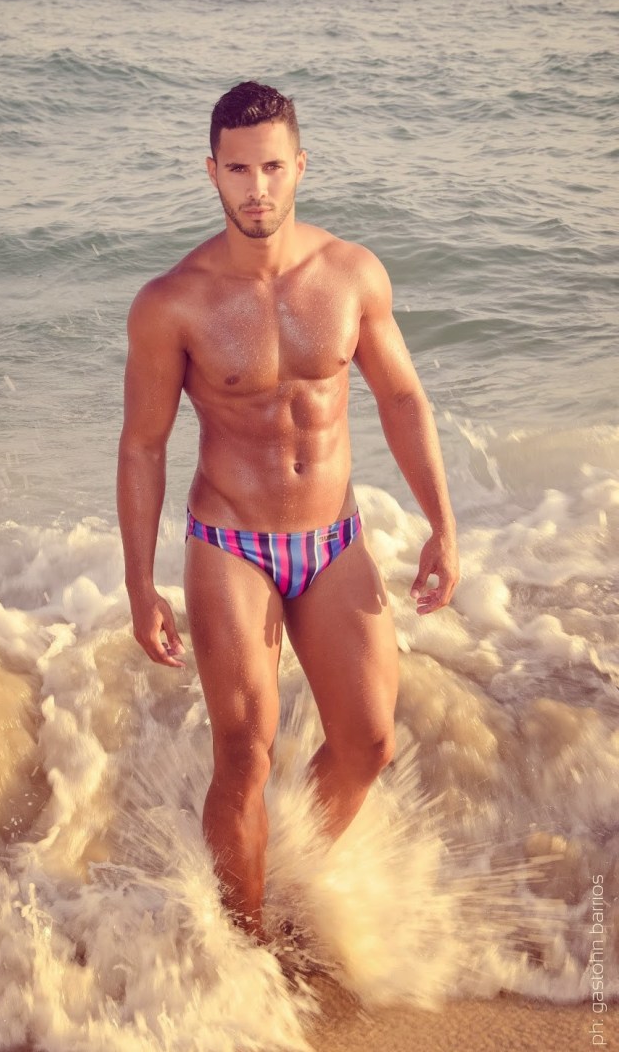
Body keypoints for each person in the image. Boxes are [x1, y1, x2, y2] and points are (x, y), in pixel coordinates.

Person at [117, 81, 459, 941]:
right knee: (244, 753)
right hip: (230, 541)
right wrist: (140, 583)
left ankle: (292, 880)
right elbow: (143, 446)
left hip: (332, 537)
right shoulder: (173, 302)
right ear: (212, 172)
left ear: (300, 166)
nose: (257, 189)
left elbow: (403, 399)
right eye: (238, 170)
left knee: (369, 742)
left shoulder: (351, 274)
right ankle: (245, 948)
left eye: (272, 167)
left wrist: (442, 524)